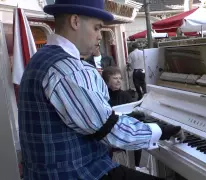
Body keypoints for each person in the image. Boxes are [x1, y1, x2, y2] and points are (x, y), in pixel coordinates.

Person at [18, 0, 182, 179]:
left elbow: (91, 119)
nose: (99, 36)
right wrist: (161, 130)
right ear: (75, 21)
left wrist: (130, 119)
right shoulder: (66, 68)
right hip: (80, 173)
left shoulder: (41, 58)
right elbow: (109, 130)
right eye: (96, 28)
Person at [102, 67, 143, 168]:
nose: (118, 80)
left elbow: (132, 115)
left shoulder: (126, 95)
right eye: (115, 78)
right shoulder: (103, 96)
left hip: (124, 128)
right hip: (108, 132)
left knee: (137, 140)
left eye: (120, 78)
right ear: (107, 81)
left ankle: (135, 166)